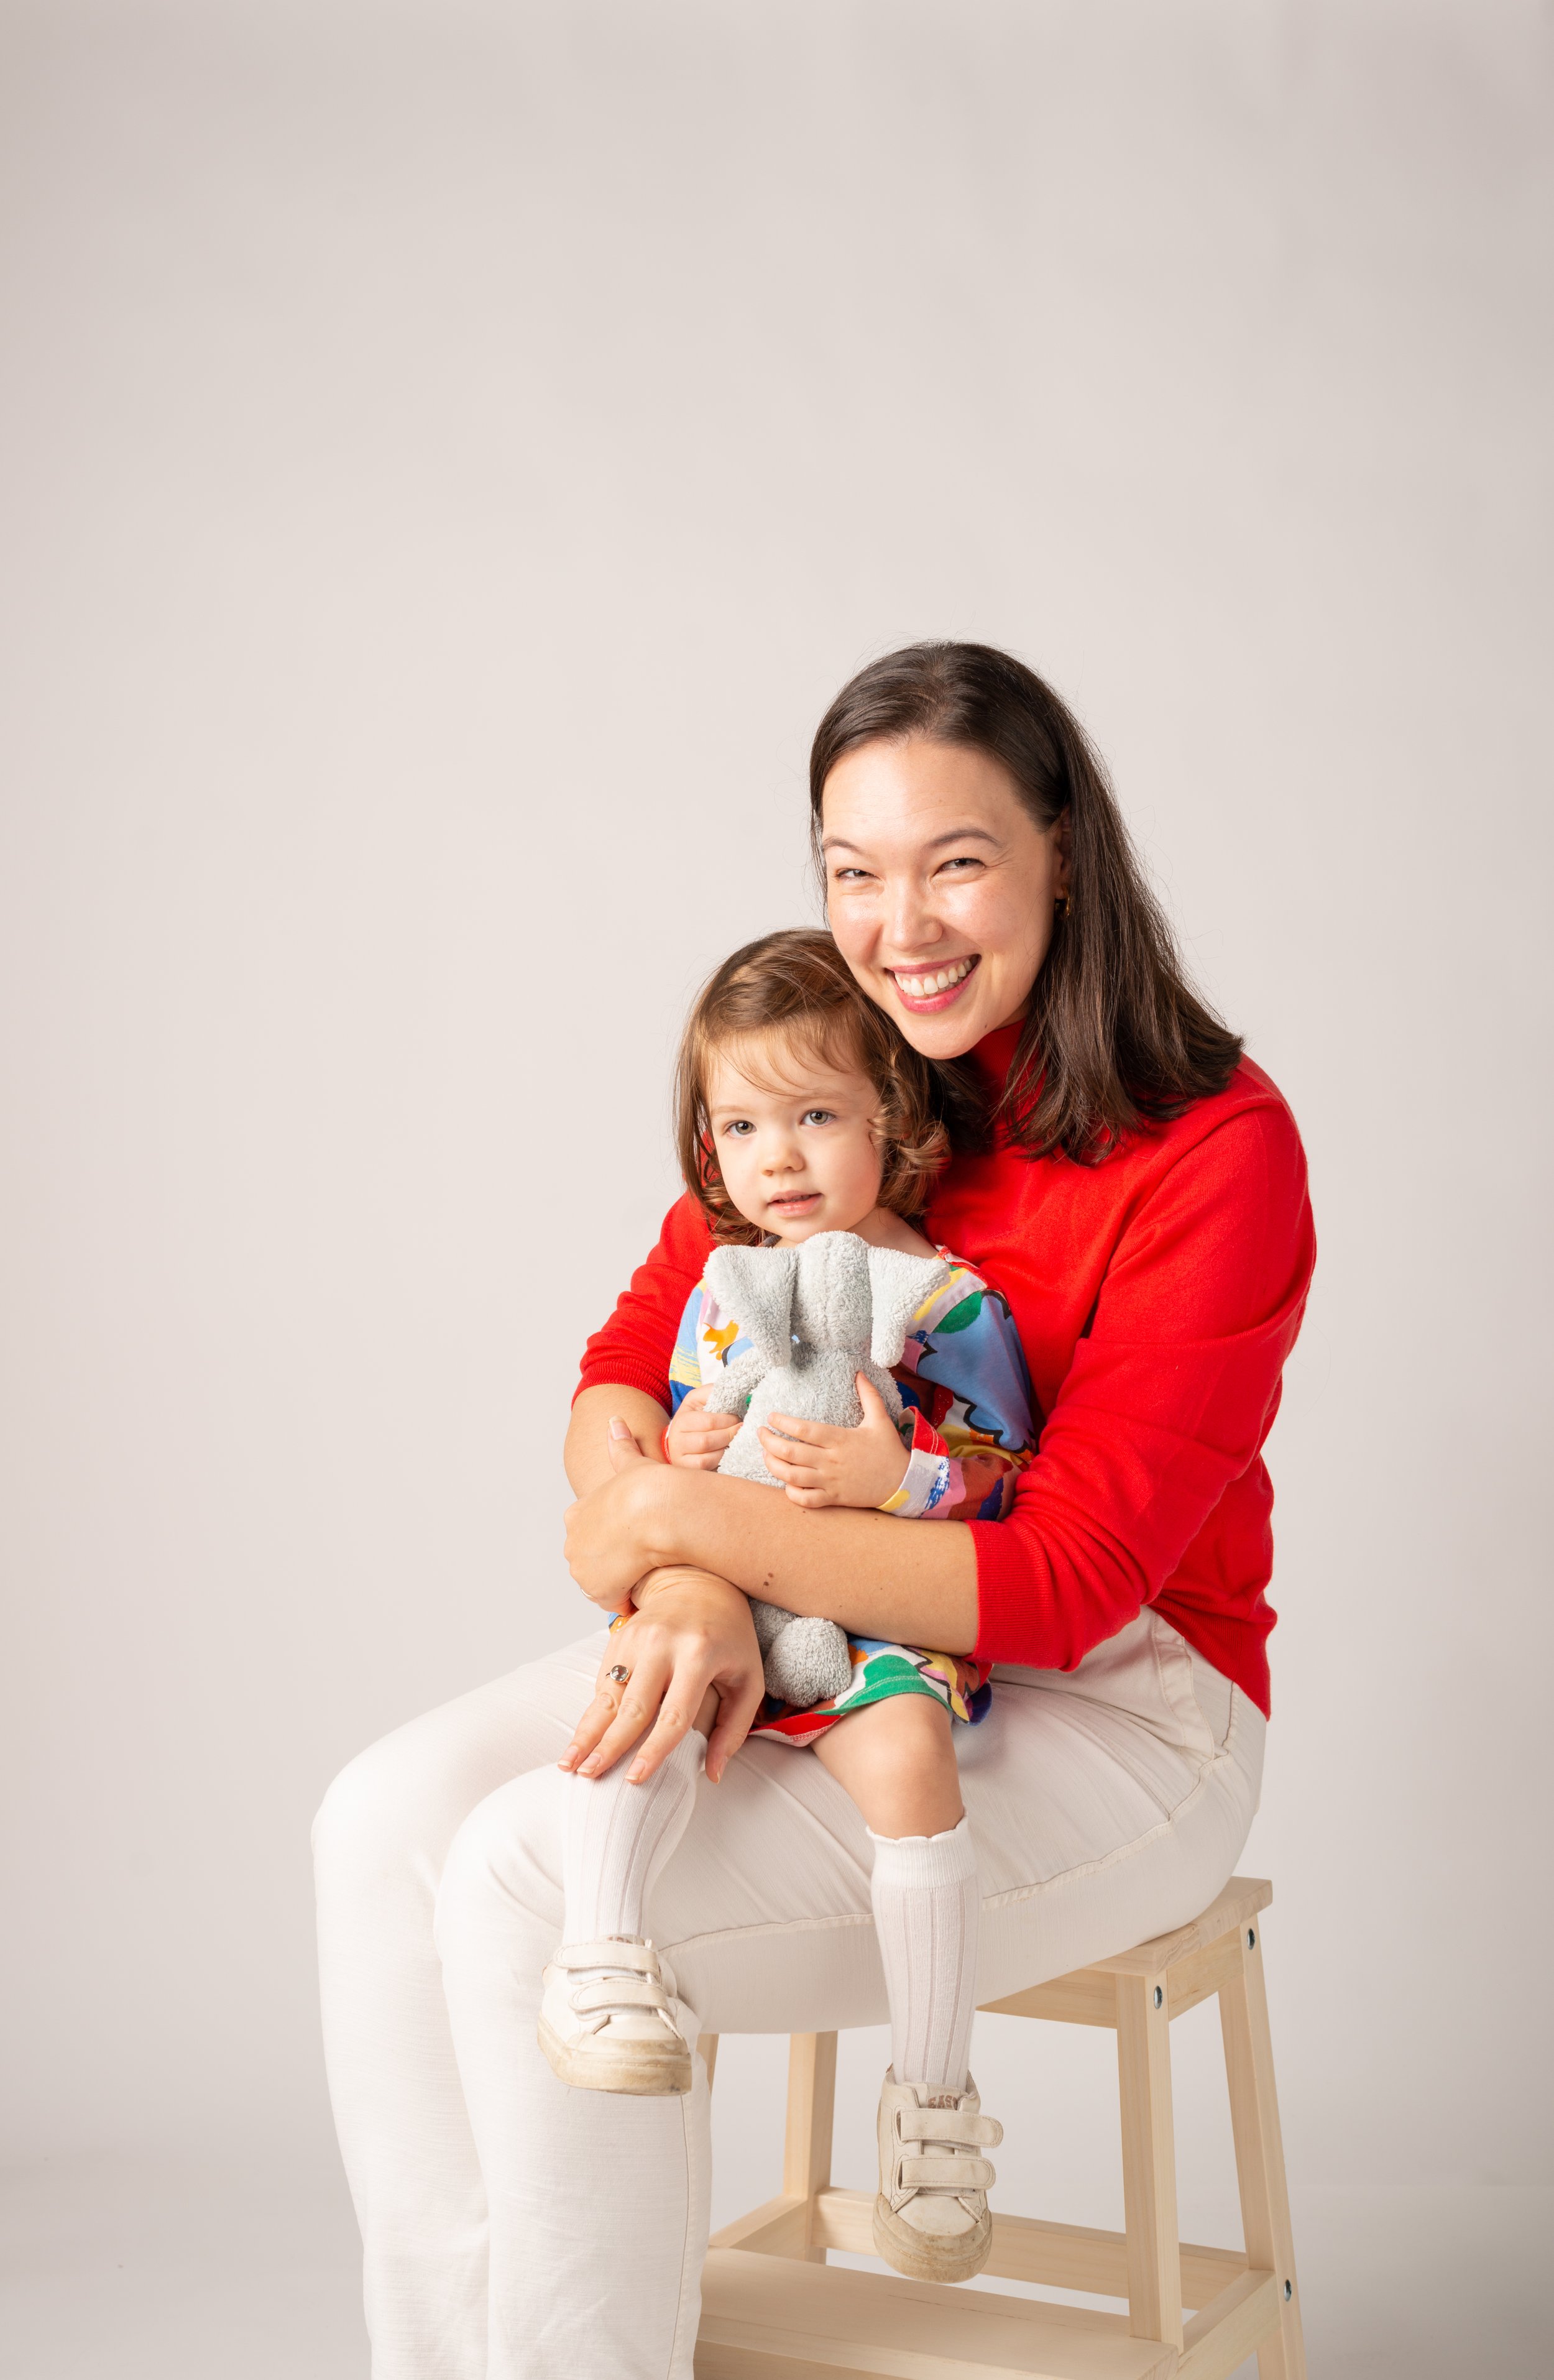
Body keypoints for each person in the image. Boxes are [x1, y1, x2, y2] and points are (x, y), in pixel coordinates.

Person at [313, 641, 1315, 2380]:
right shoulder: (844, 1080)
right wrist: (686, 1578)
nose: (898, 921)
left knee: (538, 1875)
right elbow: (627, 1369)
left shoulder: (1213, 1146)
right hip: (803, 1612)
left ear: (1061, 852)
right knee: (380, 1817)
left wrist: (690, 1551)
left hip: (1114, 1697)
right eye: (852, 869)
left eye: (953, 860)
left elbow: (1063, 1577)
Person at [540, 928, 1034, 2284]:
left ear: (892, 1116)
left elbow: (1003, 1479)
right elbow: (680, 1415)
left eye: (817, 1116)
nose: (779, 1158)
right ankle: (602, 1954)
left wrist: (902, 1472)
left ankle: (932, 2097)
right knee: (646, 1678)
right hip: (738, 1598)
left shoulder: (941, 1298)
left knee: (913, 1753)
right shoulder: (720, 1285)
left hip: (876, 1607)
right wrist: (694, 1449)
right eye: (743, 1124)